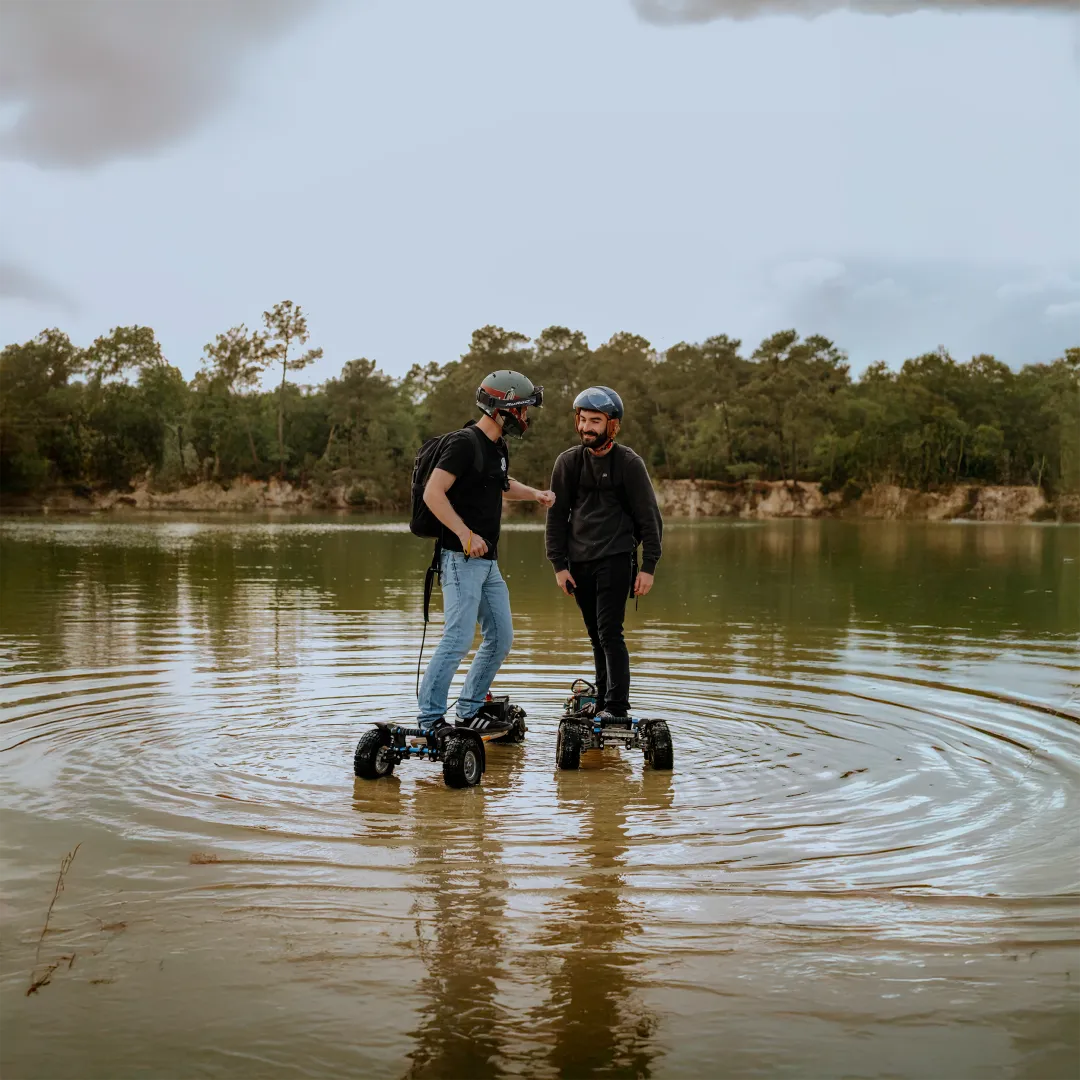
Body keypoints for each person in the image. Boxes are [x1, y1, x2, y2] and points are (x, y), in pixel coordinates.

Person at [418, 369, 555, 740]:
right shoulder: (464, 443)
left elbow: (503, 485)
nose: (526, 419)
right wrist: (464, 534)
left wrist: (536, 495)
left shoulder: (497, 447)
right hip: (460, 558)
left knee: (501, 636)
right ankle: (430, 720)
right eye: (523, 410)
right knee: (458, 639)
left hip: (487, 561)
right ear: (502, 408)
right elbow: (433, 493)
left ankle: (469, 711)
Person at [544, 386, 663, 722]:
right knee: (596, 634)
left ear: (613, 425)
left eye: (595, 420)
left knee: (610, 632)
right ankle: (603, 701)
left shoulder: (629, 463)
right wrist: (559, 565)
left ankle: (617, 708)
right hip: (578, 564)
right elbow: (556, 517)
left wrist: (648, 566)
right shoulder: (567, 462)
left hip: (616, 558)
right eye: (582, 420)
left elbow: (649, 519)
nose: (586, 427)